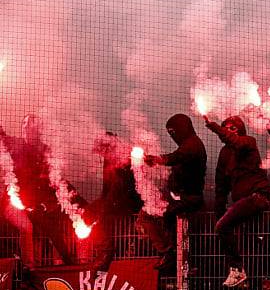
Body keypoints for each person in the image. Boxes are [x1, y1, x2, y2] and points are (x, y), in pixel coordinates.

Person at [0, 114, 79, 266]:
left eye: (30, 124)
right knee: (27, 227)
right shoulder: (16, 144)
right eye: (24, 123)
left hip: (35, 204)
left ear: (37, 129)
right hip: (14, 203)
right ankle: (28, 268)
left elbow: (53, 177)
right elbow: (3, 138)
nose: (25, 126)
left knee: (53, 228)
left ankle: (68, 264)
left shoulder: (44, 151)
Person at [206, 115, 270, 288]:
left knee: (224, 228)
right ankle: (252, 285)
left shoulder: (248, 142)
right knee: (248, 244)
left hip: (257, 197)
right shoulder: (224, 154)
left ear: (240, 130)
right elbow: (221, 185)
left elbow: (237, 142)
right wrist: (219, 212)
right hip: (241, 203)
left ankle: (236, 270)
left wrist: (215, 127)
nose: (228, 131)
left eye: (232, 128)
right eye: (225, 127)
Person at [139, 114, 207, 272]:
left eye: (173, 131)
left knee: (148, 214)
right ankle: (173, 254)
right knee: (153, 216)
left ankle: (169, 253)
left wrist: (158, 160)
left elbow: (177, 157)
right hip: (182, 198)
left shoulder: (192, 145)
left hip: (188, 199)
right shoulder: (189, 145)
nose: (172, 135)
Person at [88, 133, 143, 271]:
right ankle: (107, 251)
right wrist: (101, 201)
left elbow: (121, 186)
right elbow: (107, 187)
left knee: (105, 218)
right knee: (91, 211)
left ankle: (107, 251)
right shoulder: (110, 158)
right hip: (116, 201)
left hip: (127, 202)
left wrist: (104, 205)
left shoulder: (123, 157)